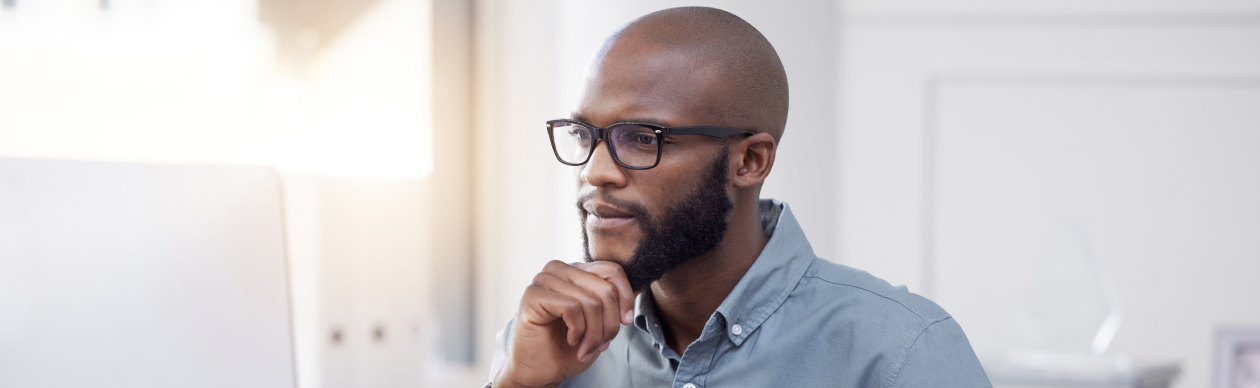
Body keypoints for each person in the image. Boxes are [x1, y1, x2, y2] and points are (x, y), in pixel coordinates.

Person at [485, 6, 991, 388]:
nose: (594, 172)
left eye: (642, 138)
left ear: (749, 162)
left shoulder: (900, 351)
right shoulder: (549, 337)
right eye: (583, 135)